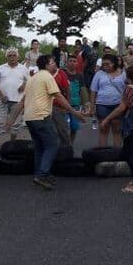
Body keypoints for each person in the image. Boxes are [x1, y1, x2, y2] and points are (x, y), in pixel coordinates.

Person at [16, 55, 86, 190]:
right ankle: (42, 174)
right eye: (53, 62)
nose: (55, 64)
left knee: (40, 147)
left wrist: (12, 119)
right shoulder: (47, 76)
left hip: (30, 117)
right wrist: (74, 112)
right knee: (53, 144)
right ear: (47, 65)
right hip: (41, 116)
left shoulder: (33, 77)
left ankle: (39, 174)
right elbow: (58, 96)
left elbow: (23, 100)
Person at [101, 66, 133, 194]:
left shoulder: (129, 90)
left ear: (128, 76)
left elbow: (122, 108)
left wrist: (107, 119)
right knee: (131, 153)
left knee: (130, 155)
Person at [0, 48, 28, 149]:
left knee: (15, 126)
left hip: (18, 101)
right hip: (3, 100)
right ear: (6, 57)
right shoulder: (1, 68)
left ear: (18, 57)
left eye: (14, 55)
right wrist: (1, 96)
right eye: (10, 55)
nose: (12, 57)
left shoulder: (23, 68)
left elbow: (30, 81)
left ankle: (11, 146)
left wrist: (24, 84)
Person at [90, 54, 126, 147]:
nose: (105, 66)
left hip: (118, 105)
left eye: (108, 64)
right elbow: (93, 90)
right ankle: (103, 156)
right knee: (103, 130)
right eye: (103, 64)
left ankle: (117, 155)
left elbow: (127, 89)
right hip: (102, 105)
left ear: (114, 63)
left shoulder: (123, 73)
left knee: (117, 130)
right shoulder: (99, 74)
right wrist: (92, 106)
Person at [49, 54, 73, 147]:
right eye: (51, 62)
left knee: (62, 130)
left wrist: (67, 105)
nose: (53, 64)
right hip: (45, 107)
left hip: (58, 106)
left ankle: (66, 151)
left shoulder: (61, 73)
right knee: (50, 132)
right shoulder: (42, 73)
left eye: (54, 62)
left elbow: (68, 89)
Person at [65, 57, 88, 144]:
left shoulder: (80, 76)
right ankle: (64, 146)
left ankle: (71, 145)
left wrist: (86, 104)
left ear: (77, 64)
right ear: (67, 62)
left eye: (74, 61)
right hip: (64, 106)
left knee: (74, 127)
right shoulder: (63, 74)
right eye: (70, 61)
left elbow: (83, 90)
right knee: (64, 128)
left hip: (76, 105)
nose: (72, 63)